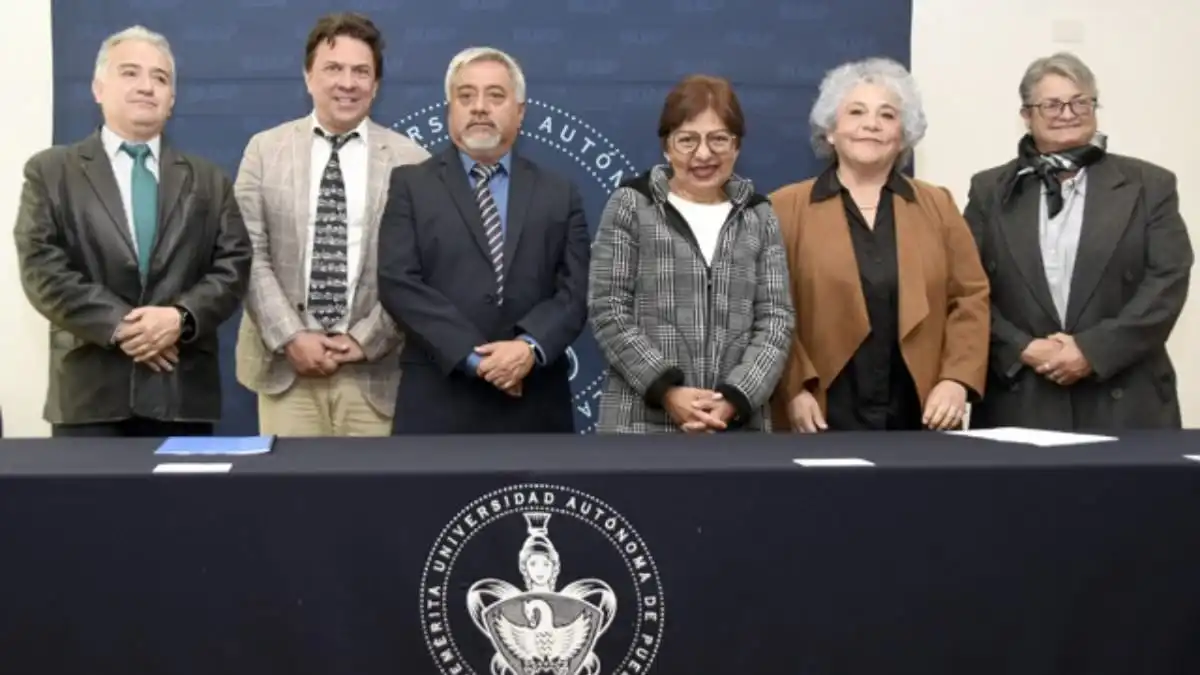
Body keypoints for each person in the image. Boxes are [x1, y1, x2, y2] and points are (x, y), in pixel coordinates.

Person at [13, 26, 251, 438]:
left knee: (182, 506)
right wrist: (125, 325)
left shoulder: (209, 180)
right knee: (86, 506)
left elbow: (233, 266)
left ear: (172, 99)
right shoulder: (51, 172)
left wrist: (179, 318)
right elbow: (41, 266)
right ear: (98, 87)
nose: (146, 87)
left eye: (160, 78)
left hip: (180, 394)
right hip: (89, 397)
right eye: (130, 73)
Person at [964, 52, 1193, 430]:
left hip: (1125, 398)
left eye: (1080, 101)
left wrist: (1092, 350)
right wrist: (1023, 348)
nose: (1068, 113)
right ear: (1026, 113)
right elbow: (965, 287)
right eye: (1052, 104)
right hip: (1021, 396)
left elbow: (1167, 282)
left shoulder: (1150, 185)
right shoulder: (989, 190)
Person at [233, 13, 430, 436]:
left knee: (372, 502)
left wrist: (366, 340)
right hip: (286, 369)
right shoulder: (264, 151)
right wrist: (291, 336)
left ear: (376, 85)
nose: (348, 82)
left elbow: (416, 270)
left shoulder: (412, 161)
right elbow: (247, 253)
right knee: (291, 500)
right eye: (333, 68)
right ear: (308, 76)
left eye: (361, 71)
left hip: (374, 374)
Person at [769, 57, 990, 433]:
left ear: (903, 136)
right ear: (830, 130)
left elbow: (970, 298)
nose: (871, 124)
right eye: (856, 112)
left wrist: (956, 380)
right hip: (818, 410)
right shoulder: (783, 207)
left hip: (919, 412)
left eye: (887, 115)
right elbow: (768, 309)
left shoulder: (938, 204)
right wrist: (793, 390)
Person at [377, 47, 590, 434]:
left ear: (520, 111)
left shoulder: (560, 193)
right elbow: (398, 283)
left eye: (495, 96)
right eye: (466, 96)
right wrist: (477, 360)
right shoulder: (410, 185)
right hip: (438, 399)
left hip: (535, 402)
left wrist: (528, 348)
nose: (479, 107)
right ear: (449, 110)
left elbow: (575, 293)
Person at [588, 75, 794, 433]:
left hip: (736, 426)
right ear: (666, 147)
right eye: (687, 140)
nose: (703, 154)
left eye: (718, 139)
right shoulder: (630, 205)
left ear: (736, 147)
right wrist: (668, 391)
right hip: (640, 425)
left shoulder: (760, 215)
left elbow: (776, 320)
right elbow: (608, 309)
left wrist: (732, 399)